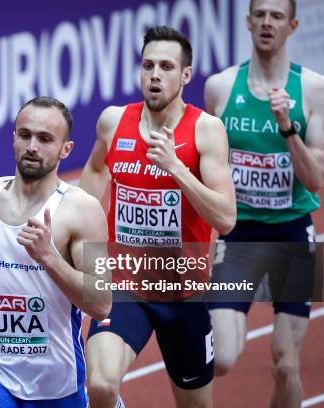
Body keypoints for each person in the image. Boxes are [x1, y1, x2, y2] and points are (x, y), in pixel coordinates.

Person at [80, 26, 237, 408]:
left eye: (166, 67)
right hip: (124, 288)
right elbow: (91, 183)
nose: (154, 75)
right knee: (100, 385)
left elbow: (226, 218)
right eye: (148, 65)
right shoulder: (114, 122)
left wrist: (177, 169)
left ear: (185, 75)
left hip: (183, 295)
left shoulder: (206, 131)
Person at [0, 96, 112, 408]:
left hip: (55, 380)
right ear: (14, 138)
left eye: (45, 139)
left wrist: (49, 258)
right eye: (25, 135)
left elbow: (101, 303)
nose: (32, 146)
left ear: (66, 150)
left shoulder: (81, 210)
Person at [204, 0, 324, 406]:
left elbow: (316, 179)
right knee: (220, 358)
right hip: (238, 234)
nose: (266, 22)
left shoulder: (314, 88)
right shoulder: (221, 87)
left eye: (276, 16)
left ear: (292, 26)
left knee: (285, 363)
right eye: (259, 14)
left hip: (293, 234)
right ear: (247, 21)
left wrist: (287, 128)